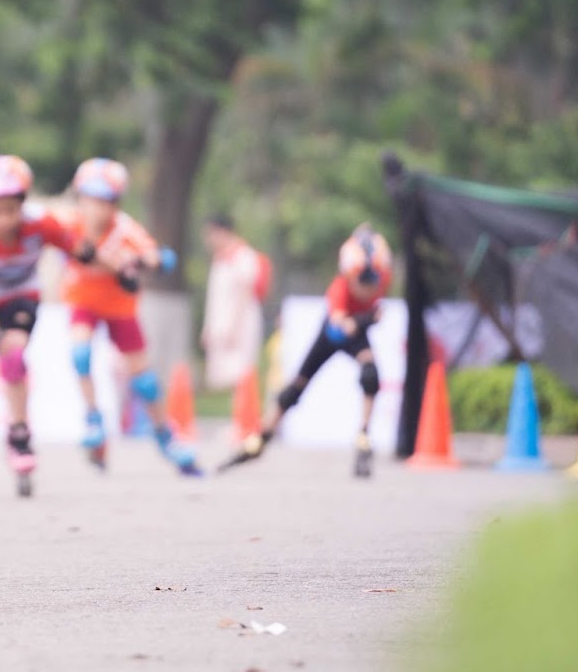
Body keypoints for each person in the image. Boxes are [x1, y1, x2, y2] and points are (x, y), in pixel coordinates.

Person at [0, 154, 86, 496]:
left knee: (13, 356)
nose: (3, 220)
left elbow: (80, 249)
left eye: (10, 210)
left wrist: (122, 266)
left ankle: (20, 438)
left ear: (23, 205)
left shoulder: (42, 223)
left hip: (20, 298)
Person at [62, 158, 201, 476]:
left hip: (120, 308)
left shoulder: (124, 230)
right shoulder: (71, 225)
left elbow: (151, 253)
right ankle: (94, 419)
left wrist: (148, 261)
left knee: (145, 381)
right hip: (83, 302)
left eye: (105, 202)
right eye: (90, 200)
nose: (97, 209)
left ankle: (166, 436)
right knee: (80, 353)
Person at [223, 225, 393, 478]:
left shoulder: (381, 276)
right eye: (362, 280)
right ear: (348, 275)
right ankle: (261, 437)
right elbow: (341, 327)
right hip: (331, 334)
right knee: (296, 387)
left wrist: (366, 319)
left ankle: (363, 437)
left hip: (355, 333)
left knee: (371, 374)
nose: (368, 288)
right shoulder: (339, 289)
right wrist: (367, 319)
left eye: (372, 281)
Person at [201, 214, 271, 391]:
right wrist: (208, 327)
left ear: (223, 232)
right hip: (221, 323)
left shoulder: (244, 256)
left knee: (240, 373)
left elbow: (245, 293)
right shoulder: (220, 259)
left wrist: (234, 327)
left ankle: (243, 415)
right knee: (223, 377)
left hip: (240, 324)